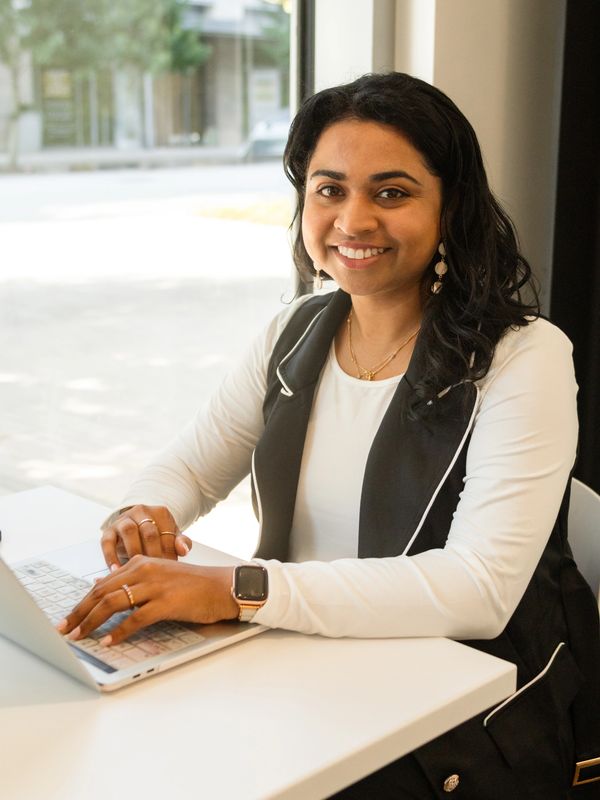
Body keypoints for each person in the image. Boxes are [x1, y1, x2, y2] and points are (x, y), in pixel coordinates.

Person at [57, 73, 599, 798]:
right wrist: (143, 513)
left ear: (452, 207)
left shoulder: (523, 356)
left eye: (392, 192)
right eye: (329, 189)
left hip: (465, 718)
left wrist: (235, 590)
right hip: (303, 668)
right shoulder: (296, 330)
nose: (353, 220)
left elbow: (477, 591)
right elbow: (190, 465)